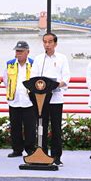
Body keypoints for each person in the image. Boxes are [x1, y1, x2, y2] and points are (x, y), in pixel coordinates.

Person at [30, 33, 70, 166]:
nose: (47, 44)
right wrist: (41, 85)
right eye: (45, 42)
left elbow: (66, 78)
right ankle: (42, 154)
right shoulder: (38, 59)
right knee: (41, 127)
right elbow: (33, 78)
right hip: (41, 100)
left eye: (50, 42)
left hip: (56, 99)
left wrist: (56, 85)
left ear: (55, 43)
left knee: (56, 128)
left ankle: (56, 157)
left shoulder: (62, 58)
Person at [2, 41, 36, 157]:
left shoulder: (33, 64)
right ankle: (17, 149)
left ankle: (30, 149)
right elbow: (6, 81)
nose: (18, 53)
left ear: (28, 52)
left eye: (21, 51)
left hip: (30, 101)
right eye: (17, 51)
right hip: (14, 100)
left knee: (30, 127)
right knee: (15, 127)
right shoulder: (9, 64)